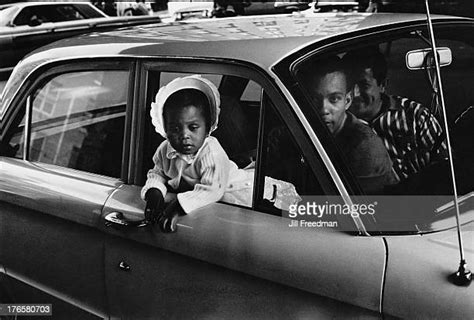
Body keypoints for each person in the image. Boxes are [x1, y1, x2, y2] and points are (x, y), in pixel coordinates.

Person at [141, 75, 254, 232]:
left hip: (234, 192)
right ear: (164, 129)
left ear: (207, 127)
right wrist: (155, 192)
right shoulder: (165, 149)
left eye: (193, 127)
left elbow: (212, 189)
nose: (184, 135)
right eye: (174, 129)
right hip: (205, 198)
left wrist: (177, 207)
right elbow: (157, 173)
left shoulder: (211, 153)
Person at [343, 47, 448, 181]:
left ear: (382, 85)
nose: (355, 93)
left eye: (364, 85)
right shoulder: (337, 124)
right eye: (349, 85)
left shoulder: (416, 117)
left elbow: (446, 169)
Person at [301, 56, 398, 194]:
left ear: (347, 101)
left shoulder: (366, 148)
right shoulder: (287, 133)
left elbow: (363, 211)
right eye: (314, 99)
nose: (323, 110)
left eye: (334, 99)